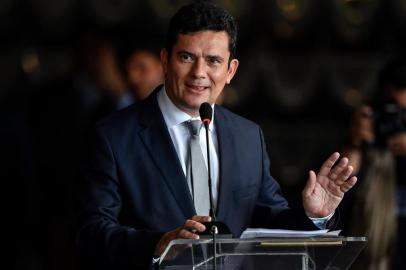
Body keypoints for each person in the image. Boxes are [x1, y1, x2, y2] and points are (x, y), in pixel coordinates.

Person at [75, 2, 357, 269]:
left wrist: (314, 215)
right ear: (165, 60)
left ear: (230, 70)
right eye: (187, 57)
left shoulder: (247, 136)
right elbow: (91, 232)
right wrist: (158, 243)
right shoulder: (113, 135)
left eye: (213, 61)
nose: (199, 73)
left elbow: (269, 223)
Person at [342, 56, 406, 270]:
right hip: (372, 252)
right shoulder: (370, 127)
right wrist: (355, 141)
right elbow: (337, 195)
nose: (395, 121)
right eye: (393, 109)